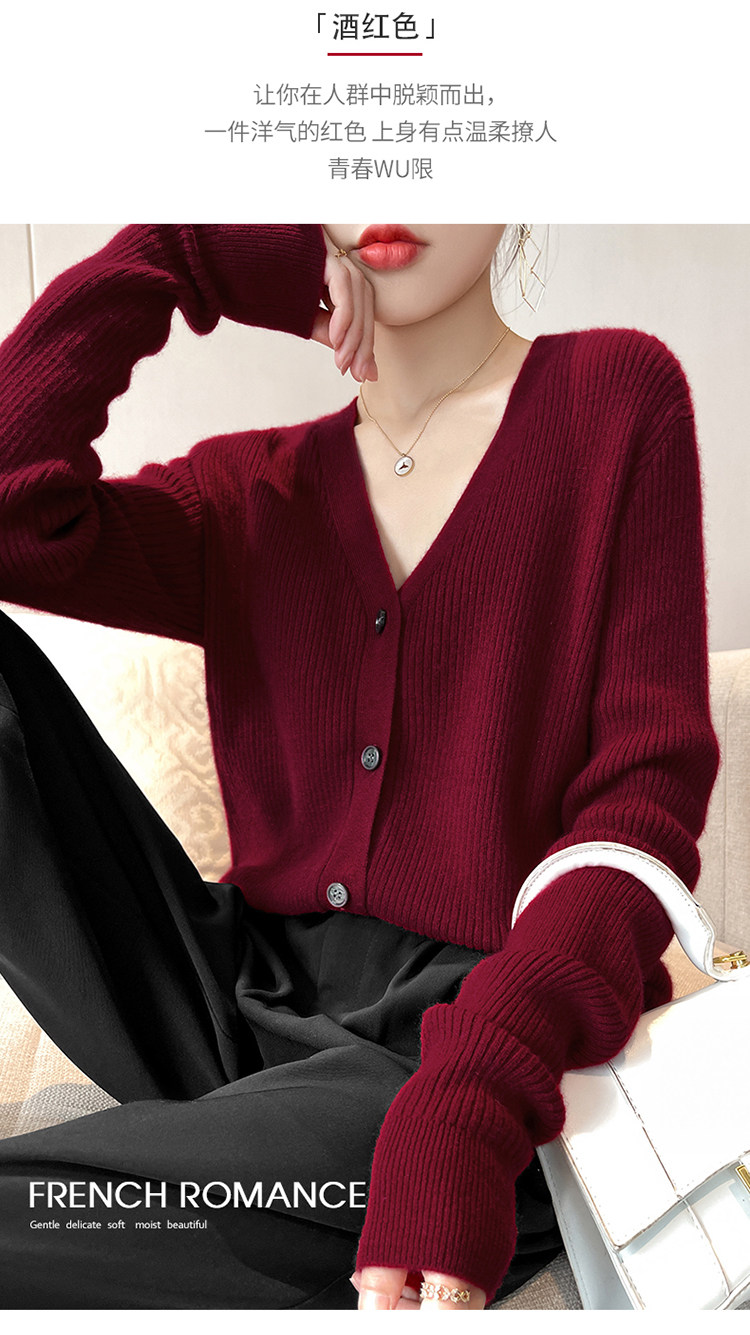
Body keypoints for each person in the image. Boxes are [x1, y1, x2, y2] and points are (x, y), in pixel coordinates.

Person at [0, 224, 720, 1311]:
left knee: (43, 1218)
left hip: (458, 1047)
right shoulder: (247, 487)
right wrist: (181, 252)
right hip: (228, 998)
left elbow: (643, 794)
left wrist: (472, 1100)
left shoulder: (611, 400)